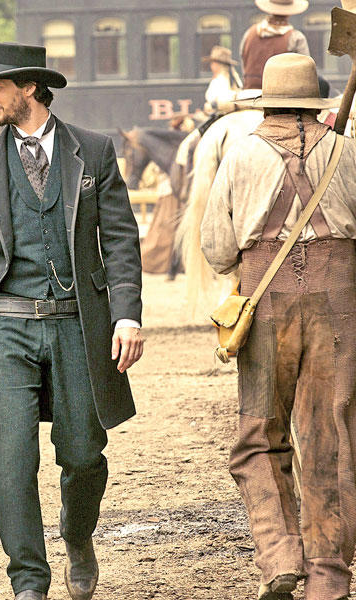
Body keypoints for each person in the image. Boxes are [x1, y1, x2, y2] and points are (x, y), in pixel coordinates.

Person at [0, 42, 144, 600]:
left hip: (79, 323)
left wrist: (126, 315)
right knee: (10, 463)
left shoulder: (93, 151)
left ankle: (78, 536)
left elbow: (120, 239)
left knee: (83, 455)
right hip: (8, 325)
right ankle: (28, 580)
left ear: (29, 87)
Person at [201, 53, 356, 600]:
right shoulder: (349, 151)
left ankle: (281, 557)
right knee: (332, 437)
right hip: (340, 302)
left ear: (266, 103)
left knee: (259, 436)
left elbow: (217, 249)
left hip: (266, 302)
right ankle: (329, 577)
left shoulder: (241, 153)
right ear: (313, 102)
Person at [241, 0, 310, 90]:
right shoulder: (296, 38)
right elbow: (305, 71)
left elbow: (243, 61)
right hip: (281, 93)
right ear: (289, 13)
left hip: (249, 91)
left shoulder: (249, 33)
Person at [203, 46, 242, 114]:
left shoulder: (218, 81)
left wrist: (208, 106)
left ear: (216, 64)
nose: (211, 66)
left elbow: (215, 103)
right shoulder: (235, 78)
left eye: (212, 63)